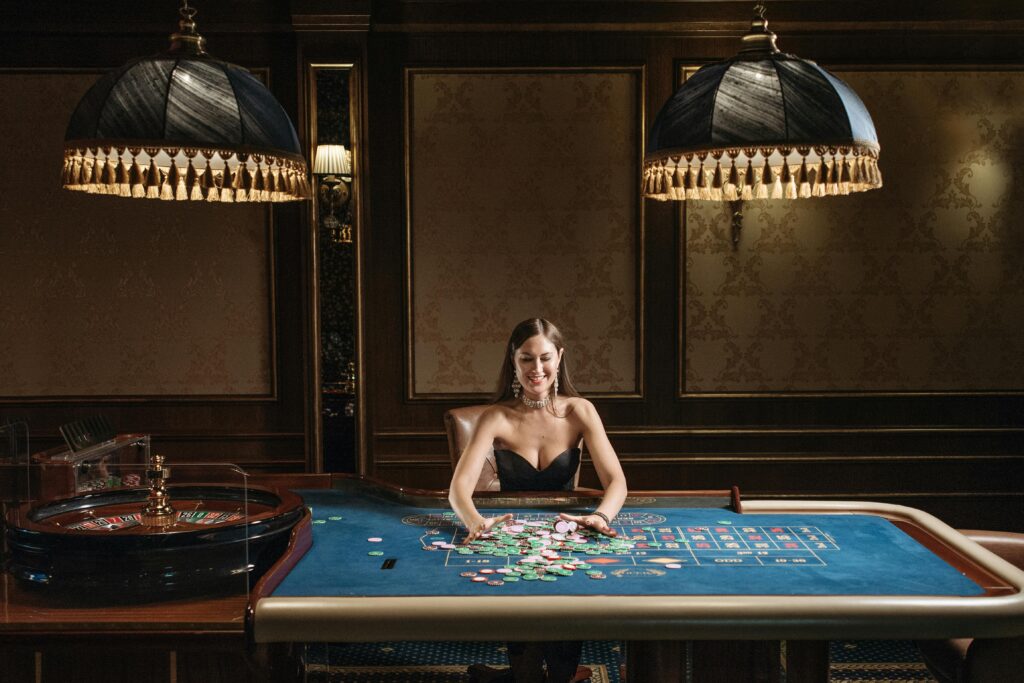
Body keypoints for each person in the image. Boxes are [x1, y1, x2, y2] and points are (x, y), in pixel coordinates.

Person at [448, 318, 628, 683]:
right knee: (526, 663)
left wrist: (601, 517)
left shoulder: (580, 411)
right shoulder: (496, 416)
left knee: (562, 652)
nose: (537, 369)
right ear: (513, 361)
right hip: (513, 540)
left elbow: (617, 482)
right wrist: (475, 521)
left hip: (568, 536)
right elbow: (458, 490)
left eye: (545, 358)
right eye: (526, 359)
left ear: (559, 358)